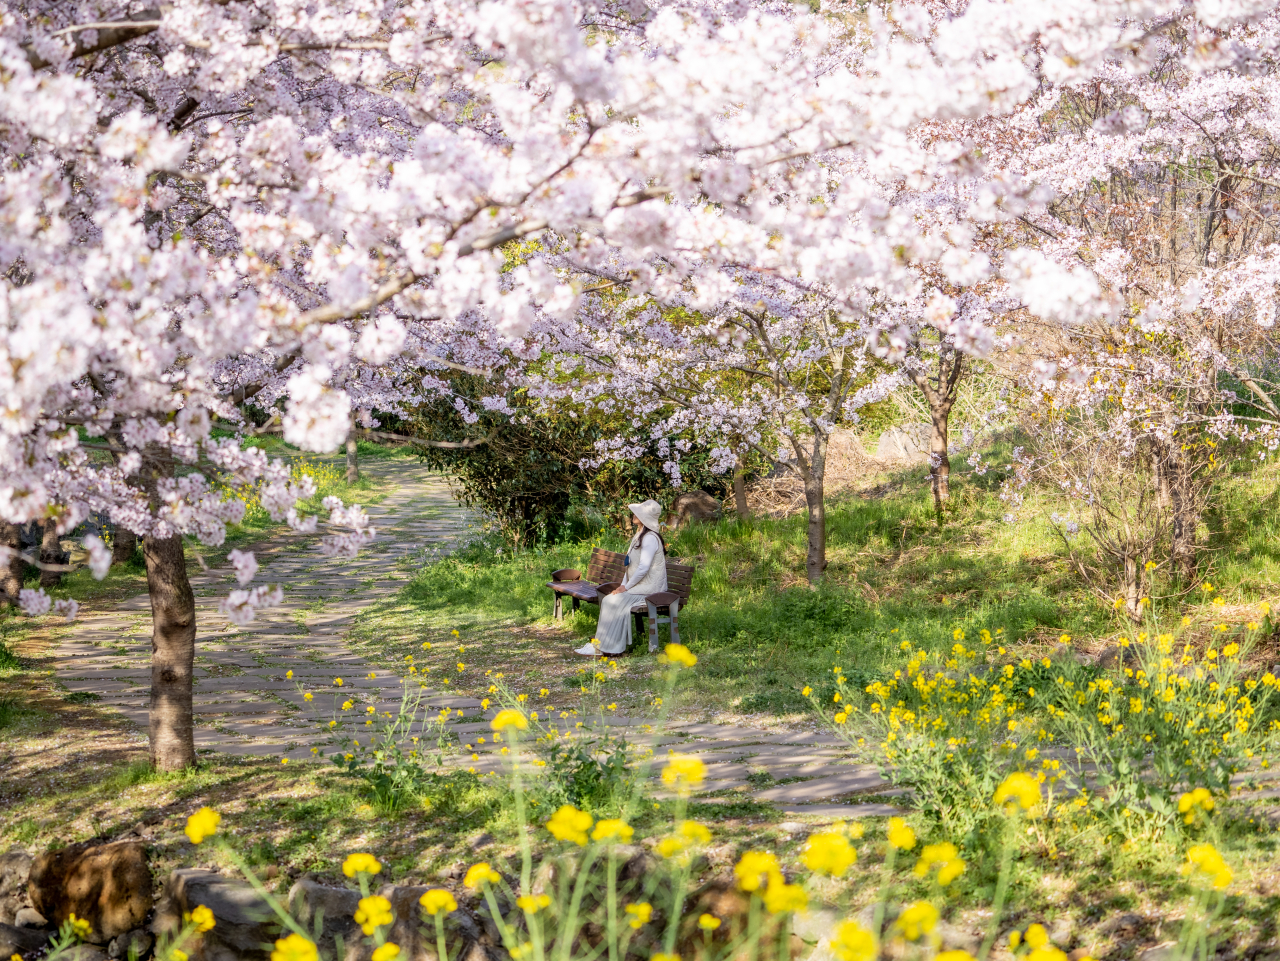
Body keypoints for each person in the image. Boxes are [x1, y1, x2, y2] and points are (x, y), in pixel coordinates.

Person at [575, 500, 668, 657]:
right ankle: (602, 644)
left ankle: (604, 647)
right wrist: (622, 586)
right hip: (640, 587)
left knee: (612, 600)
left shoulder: (650, 538)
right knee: (611, 598)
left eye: (638, 513)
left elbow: (644, 568)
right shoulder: (640, 535)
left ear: (644, 517)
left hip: (651, 590)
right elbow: (630, 566)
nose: (633, 514)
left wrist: (626, 587)